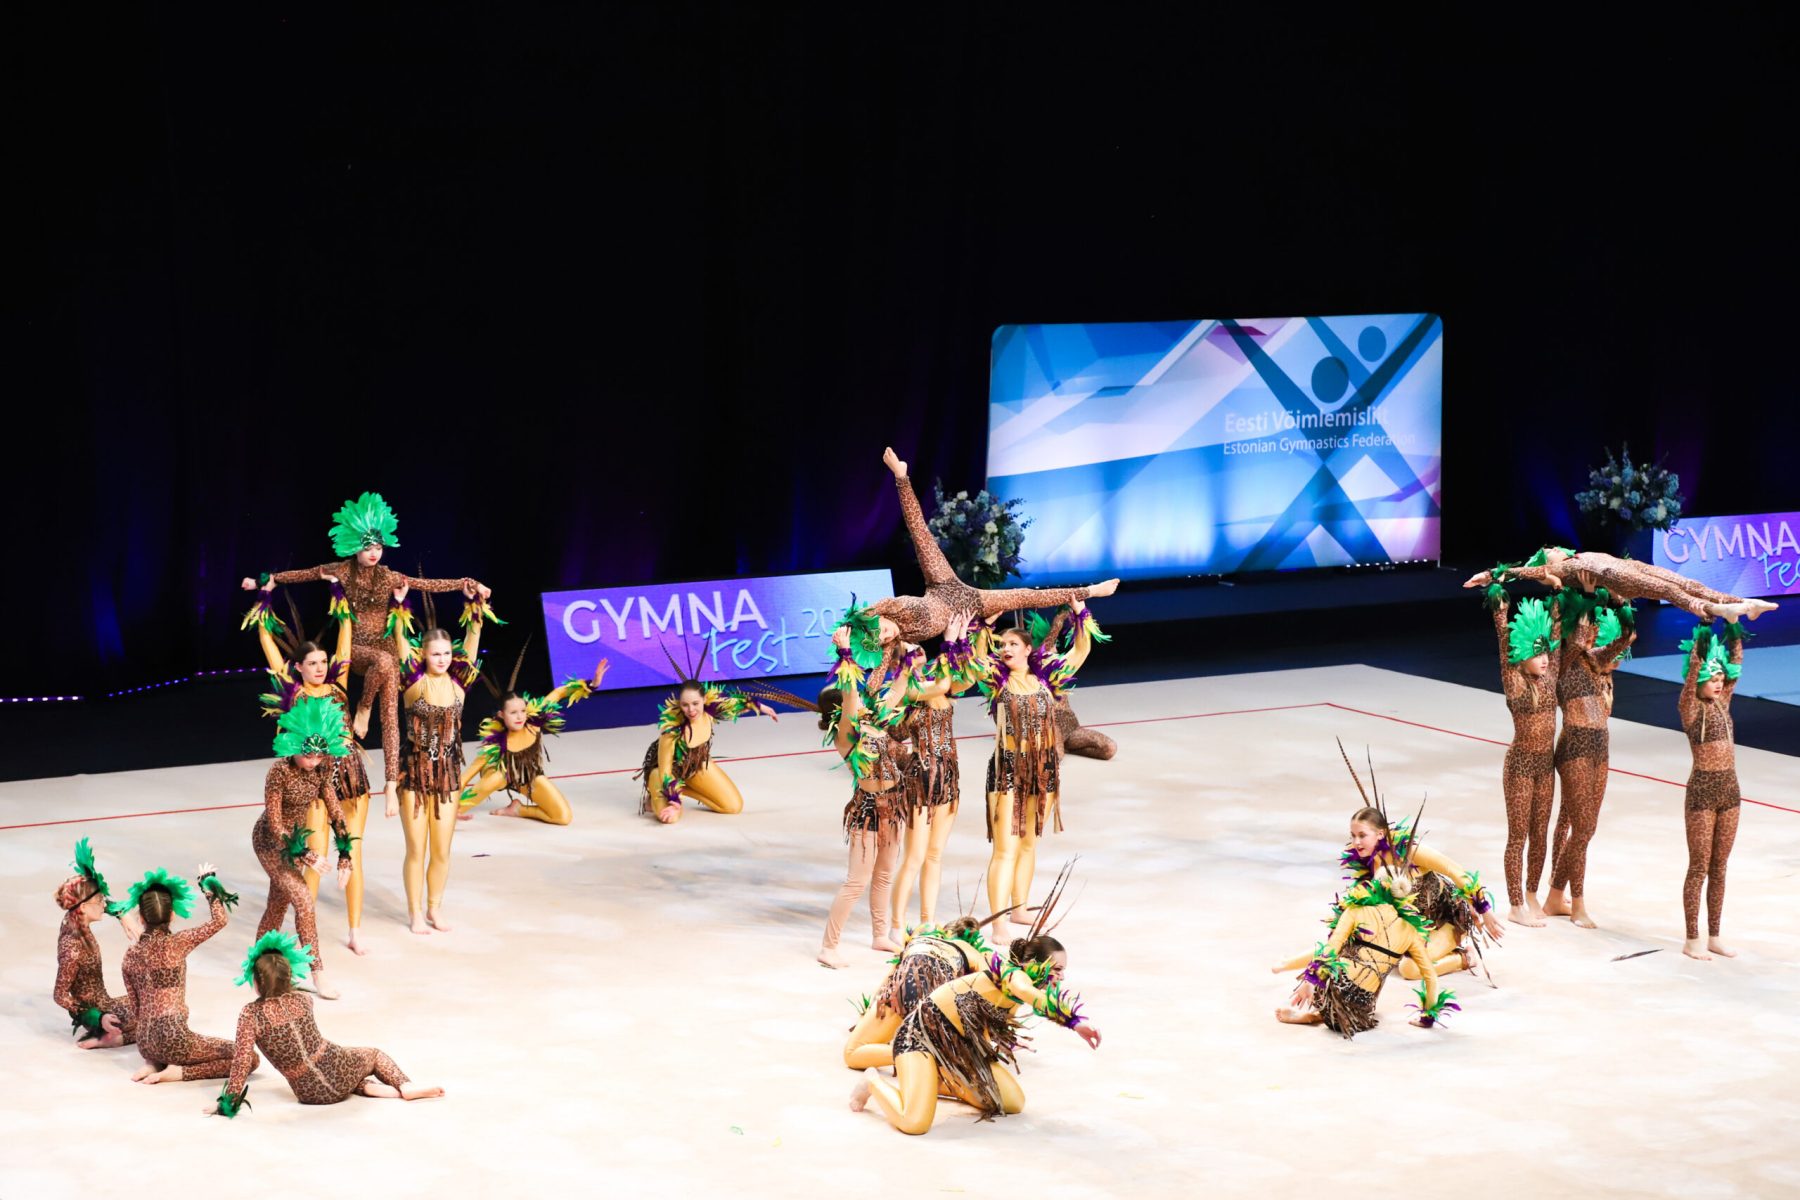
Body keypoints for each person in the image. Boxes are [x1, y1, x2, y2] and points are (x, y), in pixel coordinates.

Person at [242, 491, 492, 795]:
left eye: (378, 547)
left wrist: (469, 584)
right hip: (356, 649)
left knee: (391, 712)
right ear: (354, 546)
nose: (374, 553)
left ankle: (390, 780)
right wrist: (263, 581)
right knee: (383, 662)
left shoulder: (389, 577)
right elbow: (303, 574)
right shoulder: (341, 571)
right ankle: (363, 707)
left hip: (385, 650)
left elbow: (428, 584)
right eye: (367, 547)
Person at [944, 605, 1101, 935]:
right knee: (1005, 850)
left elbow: (1081, 650)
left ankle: (1019, 909)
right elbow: (974, 661)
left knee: (1029, 844)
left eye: (1013, 644)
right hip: (1008, 772)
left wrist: (1081, 613)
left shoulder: (1045, 678)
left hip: (1042, 771)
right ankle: (998, 923)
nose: (1006, 649)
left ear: (1029, 649)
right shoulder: (997, 679)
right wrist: (983, 628)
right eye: (1002, 644)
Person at [849, 932, 1098, 1134]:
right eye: (1057, 968)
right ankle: (872, 1082)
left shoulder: (1014, 996)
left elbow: (984, 1025)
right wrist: (1073, 1021)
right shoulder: (1013, 976)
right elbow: (1029, 993)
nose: (1062, 976)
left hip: (958, 1048)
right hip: (919, 1038)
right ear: (1034, 965)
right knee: (915, 1123)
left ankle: (930, 1082)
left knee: (1012, 1102)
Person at [244, 581, 376, 954]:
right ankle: (307, 932)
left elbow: (345, 639)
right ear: (299, 667)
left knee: (354, 852)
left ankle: (355, 931)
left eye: (323, 662)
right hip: (315, 780)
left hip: (352, 776)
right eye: (312, 663)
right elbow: (269, 648)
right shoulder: (294, 693)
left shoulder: (339, 687)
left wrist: (340, 599)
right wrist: (263, 602)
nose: (319, 668)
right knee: (316, 853)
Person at [866, 448, 1118, 643]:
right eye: (883, 639)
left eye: (883, 630)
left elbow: (879, 606)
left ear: (881, 619)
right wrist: (849, 654)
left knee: (921, 536)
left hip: (943, 585)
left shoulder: (893, 608)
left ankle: (902, 476)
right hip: (967, 607)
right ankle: (1090, 591)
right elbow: (876, 673)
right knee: (1023, 598)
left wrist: (855, 620)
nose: (887, 635)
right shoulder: (889, 642)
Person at [210, 931, 443, 1117]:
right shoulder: (304, 1000)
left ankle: (368, 1087)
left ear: (256, 982)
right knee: (373, 1055)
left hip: (309, 1092)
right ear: (290, 976)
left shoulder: (250, 1014)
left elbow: (241, 1062)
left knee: (347, 1066)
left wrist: (227, 1104)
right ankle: (405, 1086)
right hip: (336, 1067)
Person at [387, 584, 492, 933]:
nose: (443, 659)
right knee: (417, 849)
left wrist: (475, 605)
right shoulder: (413, 682)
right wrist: (399, 606)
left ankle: (435, 908)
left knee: (442, 850)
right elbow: (401, 645)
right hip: (415, 773)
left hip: (447, 773)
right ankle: (415, 912)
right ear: (424, 654)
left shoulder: (459, 683)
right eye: (435, 654)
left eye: (447, 653)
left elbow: (473, 641)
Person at [1543, 586, 1636, 929]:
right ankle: (1576, 903)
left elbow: (1627, 638)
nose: (1593, 632)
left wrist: (1622, 605)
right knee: (1581, 827)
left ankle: (1555, 897)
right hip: (1576, 745)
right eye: (1588, 625)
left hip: (1600, 746)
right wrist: (1584, 595)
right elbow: (1580, 637)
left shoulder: (1597, 664)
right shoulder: (1564, 660)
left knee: (1587, 828)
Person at [1273, 865, 1450, 1038]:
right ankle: (1317, 1016)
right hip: (1360, 1014)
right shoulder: (1410, 931)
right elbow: (1431, 977)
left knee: (1345, 945)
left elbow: (1331, 948)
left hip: (1330, 995)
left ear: (1376, 886)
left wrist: (1311, 980)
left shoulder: (1357, 910)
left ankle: (1316, 1013)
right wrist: (1427, 1017)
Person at [254, 695, 355, 997]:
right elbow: (275, 825)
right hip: (270, 842)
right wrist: (307, 854)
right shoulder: (279, 771)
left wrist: (345, 854)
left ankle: (259, 970)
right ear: (294, 746)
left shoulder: (321, 769)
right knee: (303, 900)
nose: (313, 762)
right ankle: (317, 972)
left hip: (296, 843)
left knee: (276, 907)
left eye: (319, 757)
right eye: (308, 755)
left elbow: (335, 810)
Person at [120, 865, 255, 1084]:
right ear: (172, 914)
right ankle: (180, 1072)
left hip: (144, 1042)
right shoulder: (178, 943)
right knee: (249, 1059)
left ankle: (154, 1063)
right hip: (174, 1039)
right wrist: (207, 885)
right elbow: (219, 921)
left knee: (160, 1036)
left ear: (141, 918)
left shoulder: (130, 955)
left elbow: (137, 1008)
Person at [817, 674, 911, 968]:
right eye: (855, 697)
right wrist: (847, 664)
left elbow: (896, 693)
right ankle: (828, 947)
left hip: (893, 806)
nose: (860, 699)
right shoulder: (846, 734)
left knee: (884, 874)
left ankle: (880, 935)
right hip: (868, 810)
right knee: (857, 881)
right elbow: (849, 697)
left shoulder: (874, 723)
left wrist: (907, 668)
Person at [1484, 585, 1560, 926]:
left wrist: (1556, 598)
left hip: (1545, 766)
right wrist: (1500, 609)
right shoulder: (1514, 679)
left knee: (1540, 833)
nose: (1544, 659)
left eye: (1546, 653)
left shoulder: (1550, 677)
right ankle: (1515, 905)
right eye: (1537, 652)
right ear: (1521, 653)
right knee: (1518, 836)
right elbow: (1504, 644)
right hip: (1520, 766)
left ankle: (1531, 894)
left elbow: (1556, 634)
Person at [459, 659, 608, 824]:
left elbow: (558, 693)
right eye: (513, 713)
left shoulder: (534, 722)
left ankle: (518, 809)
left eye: (522, 711)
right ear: (501, 715)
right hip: (502, 776)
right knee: (493, 779)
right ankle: (451, 813)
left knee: (563, 817)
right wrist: (453, 808)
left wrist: (592, 684)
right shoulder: (496, 742)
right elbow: (467, 776)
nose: (519, 717)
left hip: (528, 777)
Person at [1675, 622, 1747, 961]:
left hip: (1730, 791)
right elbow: (1693, 670)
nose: (1719, 683)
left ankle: (1714, 935)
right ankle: (1692, 937)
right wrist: (1704, 629)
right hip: (1702, 792)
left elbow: (1737, 663)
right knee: (1699, 866)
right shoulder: (1690, 708)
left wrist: (1734, 628)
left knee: (1720, 866)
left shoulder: (1723, 703)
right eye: (1712, 678)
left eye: (1721, 678)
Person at [1462, 547, 1776, 622]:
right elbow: (1520, 572)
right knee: (1669, 591)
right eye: (1550, 551)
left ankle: (1743, 603)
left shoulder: (1577, 555)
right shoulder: (1560, 568)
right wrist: (1489, 574)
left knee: (1685, 581)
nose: (1555, 548)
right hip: (1616, 576)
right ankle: (1717, 610)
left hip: (1627, 566)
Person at [843, 916, 994, 1069]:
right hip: (935, 999)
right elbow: (988, 991)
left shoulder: (921, 936)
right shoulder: (971, 951)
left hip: (904, 986)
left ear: (945, 930)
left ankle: (919, 1052)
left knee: (852, 1053)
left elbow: (889, 979)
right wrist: (985, 1044)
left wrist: (868, 1015)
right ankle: (931, 1053)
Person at [636, 678, 777, 824]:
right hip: (665, 775)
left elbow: (736, 704)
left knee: (734, 807)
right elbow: (665, 772)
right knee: (671, 818)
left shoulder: (711, 711)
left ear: (704, 699)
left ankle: (684, 789)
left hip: (695, 766)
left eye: (695, 703)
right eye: (685, 705)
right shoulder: (672, 730)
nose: (691, 710)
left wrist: (760, 706)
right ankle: (655, 794)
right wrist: (674, 801)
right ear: (679, 704)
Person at [52, 838, 141, 1048]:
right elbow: (59, 995)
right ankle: (112, 1038)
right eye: (99, 900)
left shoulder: (73, 917)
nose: (103, 904)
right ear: (83, 907)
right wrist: (96, 1018)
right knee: (166, 1015)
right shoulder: (72, 949)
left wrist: (121, 914)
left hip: (105, 1004)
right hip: (103, 1015)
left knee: (155, 1000)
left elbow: (98, 901)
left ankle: (113, 1035)